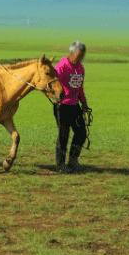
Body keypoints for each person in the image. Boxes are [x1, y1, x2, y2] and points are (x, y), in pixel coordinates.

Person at [54, 41, 90, 172]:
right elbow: (53, 82)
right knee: (63, 135)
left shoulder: (80, 68)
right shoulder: (62, 66)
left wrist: (84, 102)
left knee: (81, 133)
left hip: (75, 106)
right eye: (79, 54)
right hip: (62, 106)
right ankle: (60, 164)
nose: (81, 57)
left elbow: (79, 87)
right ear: (72, 53)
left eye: (82, 55)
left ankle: (73, 161)